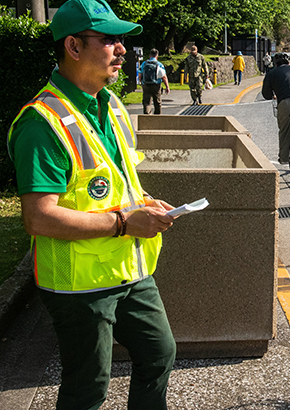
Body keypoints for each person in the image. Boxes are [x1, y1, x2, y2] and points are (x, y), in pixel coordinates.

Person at [6, 1, 178, 409]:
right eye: (110, 39)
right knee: (89, 387)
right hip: (78, 286)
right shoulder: (40, 122)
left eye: (122, 40)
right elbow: (38, 217)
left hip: (130, 269)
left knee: (159, 354)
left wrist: (144, 204)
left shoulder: (111, 105)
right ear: (74, 47)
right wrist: (123, 222)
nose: (123, 49)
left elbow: (113, 182)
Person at [138, 48, 170, 114]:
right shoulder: (159, 64)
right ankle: (157, 117)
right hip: (156, 85)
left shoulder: (144, 63)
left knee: (146, 102)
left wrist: (142, 83)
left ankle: (147, 116)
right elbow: (164, 77)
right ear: (157, 56)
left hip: (146, 84)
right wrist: (167, 87)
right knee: (157, 102)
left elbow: (140, 74)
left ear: (150, 55)